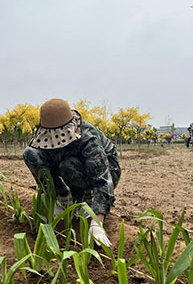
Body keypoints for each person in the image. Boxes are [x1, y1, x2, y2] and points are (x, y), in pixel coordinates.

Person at [23, 98, 121, 247]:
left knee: (68, 165)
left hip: (105, 169)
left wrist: (97, 221)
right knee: (30, 154)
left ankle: (86, 199)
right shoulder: (46, 136)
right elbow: (41, 159)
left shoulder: (88, 137)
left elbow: (102, 178)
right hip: (67, 163)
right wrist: (53, 195)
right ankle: (62, 198)